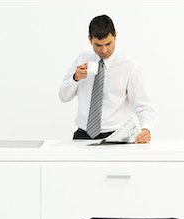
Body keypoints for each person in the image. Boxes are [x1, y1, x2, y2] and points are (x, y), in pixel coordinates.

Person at [59, 15, 155, 143]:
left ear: (115, 36)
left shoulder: (130, 68)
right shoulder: (82, 59)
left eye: (108, 44)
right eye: (98, 45)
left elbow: (144, 106)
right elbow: (63, 97)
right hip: (82, 136)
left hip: (117, 137)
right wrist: (75, 78)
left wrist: (146, 129)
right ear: (90, 39)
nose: (104, 50)